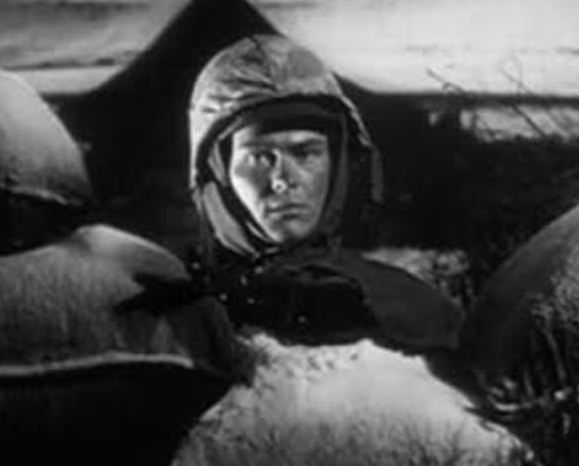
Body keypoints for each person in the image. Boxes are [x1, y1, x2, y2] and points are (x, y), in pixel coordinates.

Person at [185, 34, 460, 355]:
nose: (282, 181)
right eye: (259, 157)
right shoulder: (165, 319)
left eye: (306, 152)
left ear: (339, 165)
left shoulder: (417, 314)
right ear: (217, 175)